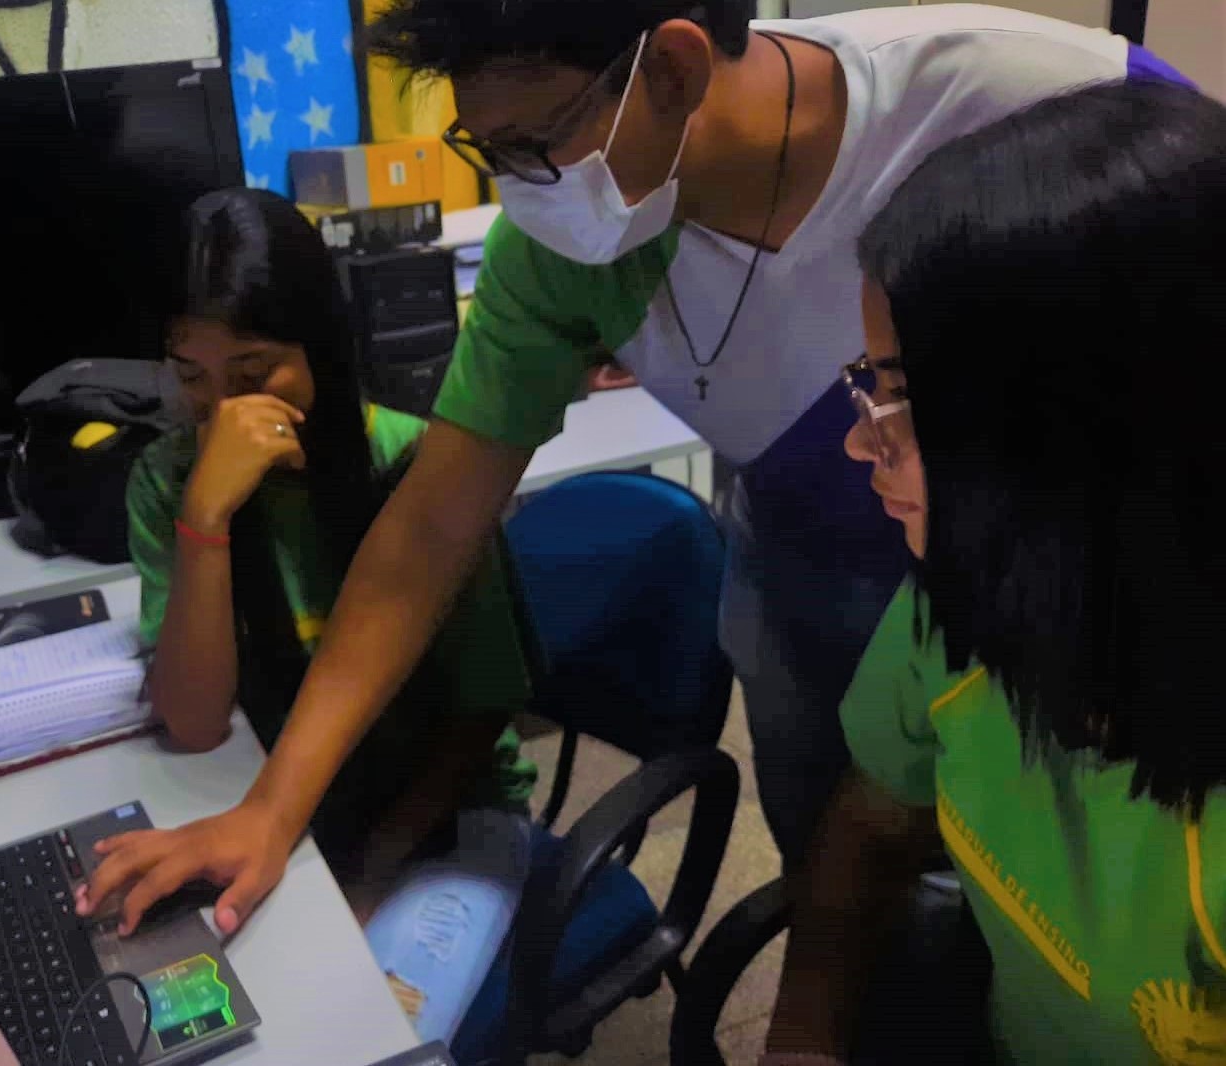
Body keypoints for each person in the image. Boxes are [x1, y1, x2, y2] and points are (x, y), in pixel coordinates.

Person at [92, 2, 1189, 924]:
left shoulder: (1031, 101)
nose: (519, 190)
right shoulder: (558, 251)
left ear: (670, 67)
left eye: (534, 144)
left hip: (1064, 597)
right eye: (487, 153)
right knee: (853, 877)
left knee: (1099, 895)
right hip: (811, 568)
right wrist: (269, 813)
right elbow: (429, 529)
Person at [766, 79, 1226, 1064]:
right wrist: (801, 1042)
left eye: (899, 397)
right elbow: (873, 821)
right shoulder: (963, 600)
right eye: (868, 385)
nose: (860, 442)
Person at [78, 188, 536, 1043]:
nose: (225, 412)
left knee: (362, 1035)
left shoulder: (419, 467)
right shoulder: (170, 480)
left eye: (253, 376)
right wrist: (206, 517)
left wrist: (366, 879)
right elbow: (196, 723)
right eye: (192, 378)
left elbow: (479, 720)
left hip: (437, 820)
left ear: (318, 345)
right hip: (277, 800)